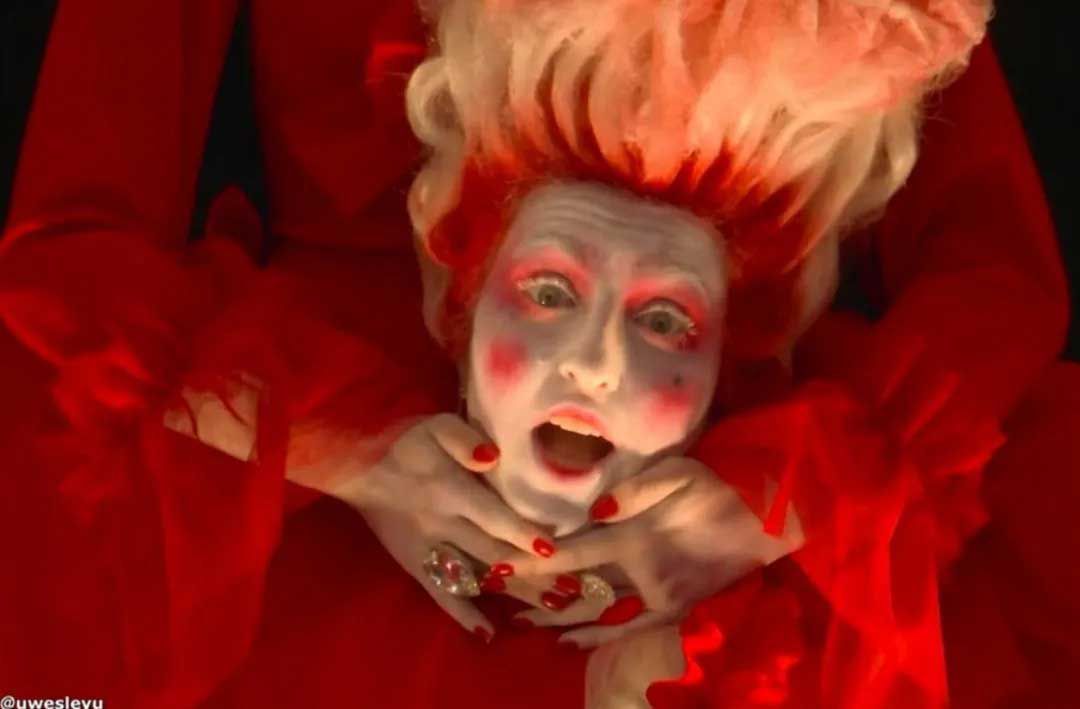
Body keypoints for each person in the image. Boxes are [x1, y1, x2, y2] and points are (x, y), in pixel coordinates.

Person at [1, 1, 1076, 708]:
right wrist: (340, 442)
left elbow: (992, 270)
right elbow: (73, 240)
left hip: (702, 450)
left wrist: (790, 496)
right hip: (294, 468)